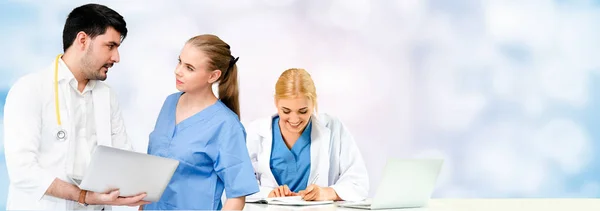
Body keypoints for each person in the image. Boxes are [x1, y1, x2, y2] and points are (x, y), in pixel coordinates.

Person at [3, 3, 149, 210]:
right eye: (110, 46)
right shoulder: (29, 89)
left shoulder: (107, 96)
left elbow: (122, 158)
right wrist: (84, 196)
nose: (116, 57)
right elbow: (22, 171)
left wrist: (136, 199)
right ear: (82, 40)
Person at [141, 34, 259, 210]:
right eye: (179, 61)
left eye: (189, 68)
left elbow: (236, 197)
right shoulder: (170, 103)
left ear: (213, 76)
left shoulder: (226, 125)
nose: (178, 70)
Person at [245, 68, 369, 202]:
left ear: (313, 103)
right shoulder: (256, 132)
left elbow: (358, 182)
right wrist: (269, 194)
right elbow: (241, 184)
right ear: (276, 102)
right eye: (286, 111)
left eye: (303, 111)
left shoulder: (333, 128)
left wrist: (327, 193)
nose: (294, 119)